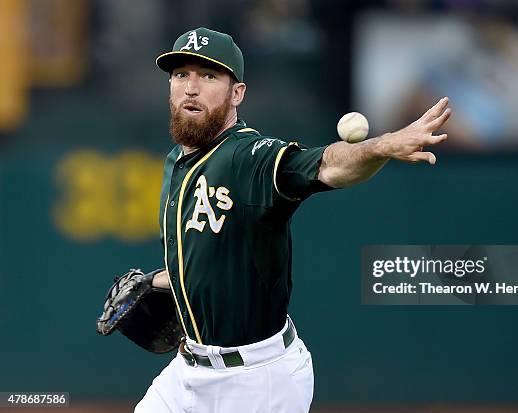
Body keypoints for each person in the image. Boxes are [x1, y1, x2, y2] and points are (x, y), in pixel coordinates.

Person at [135, 27, 451, 413]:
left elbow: (326, 167)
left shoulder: (249, 156)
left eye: (209, 75)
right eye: (181, 74)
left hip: (256, 380)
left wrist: (381, 146)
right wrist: (158, 280)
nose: (191, 88)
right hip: (187, 372)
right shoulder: (177, 162)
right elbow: (210, 251)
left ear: (237, 93)